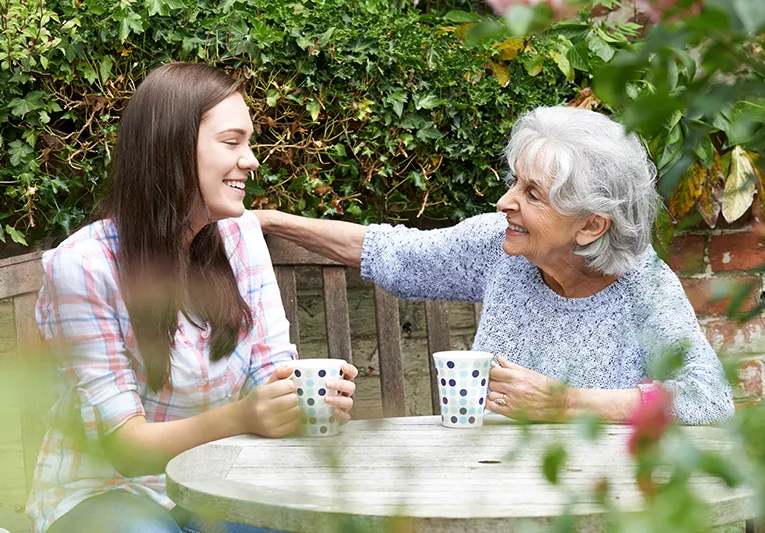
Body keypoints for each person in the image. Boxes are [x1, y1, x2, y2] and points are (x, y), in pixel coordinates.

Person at [26, 62, 357, 533]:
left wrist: (304, 399)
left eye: (249, 141)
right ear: (173, 149)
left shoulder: (239, 237)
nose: (252, 160)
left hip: (220, 480)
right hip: (103, 492)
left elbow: (271, 370)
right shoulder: (83, 266)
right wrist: (245, 416)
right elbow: (124, 449)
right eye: (231, 142)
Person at [254, 106, 735, 426]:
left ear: (590, 226)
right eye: (514, 183)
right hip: (484, 484)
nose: (505, 202)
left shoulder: (644, 287)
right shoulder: (500, 246)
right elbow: (391, 252)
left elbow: (710, 399)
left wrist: (566, 403)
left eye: (532, 194)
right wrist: (271, 221)